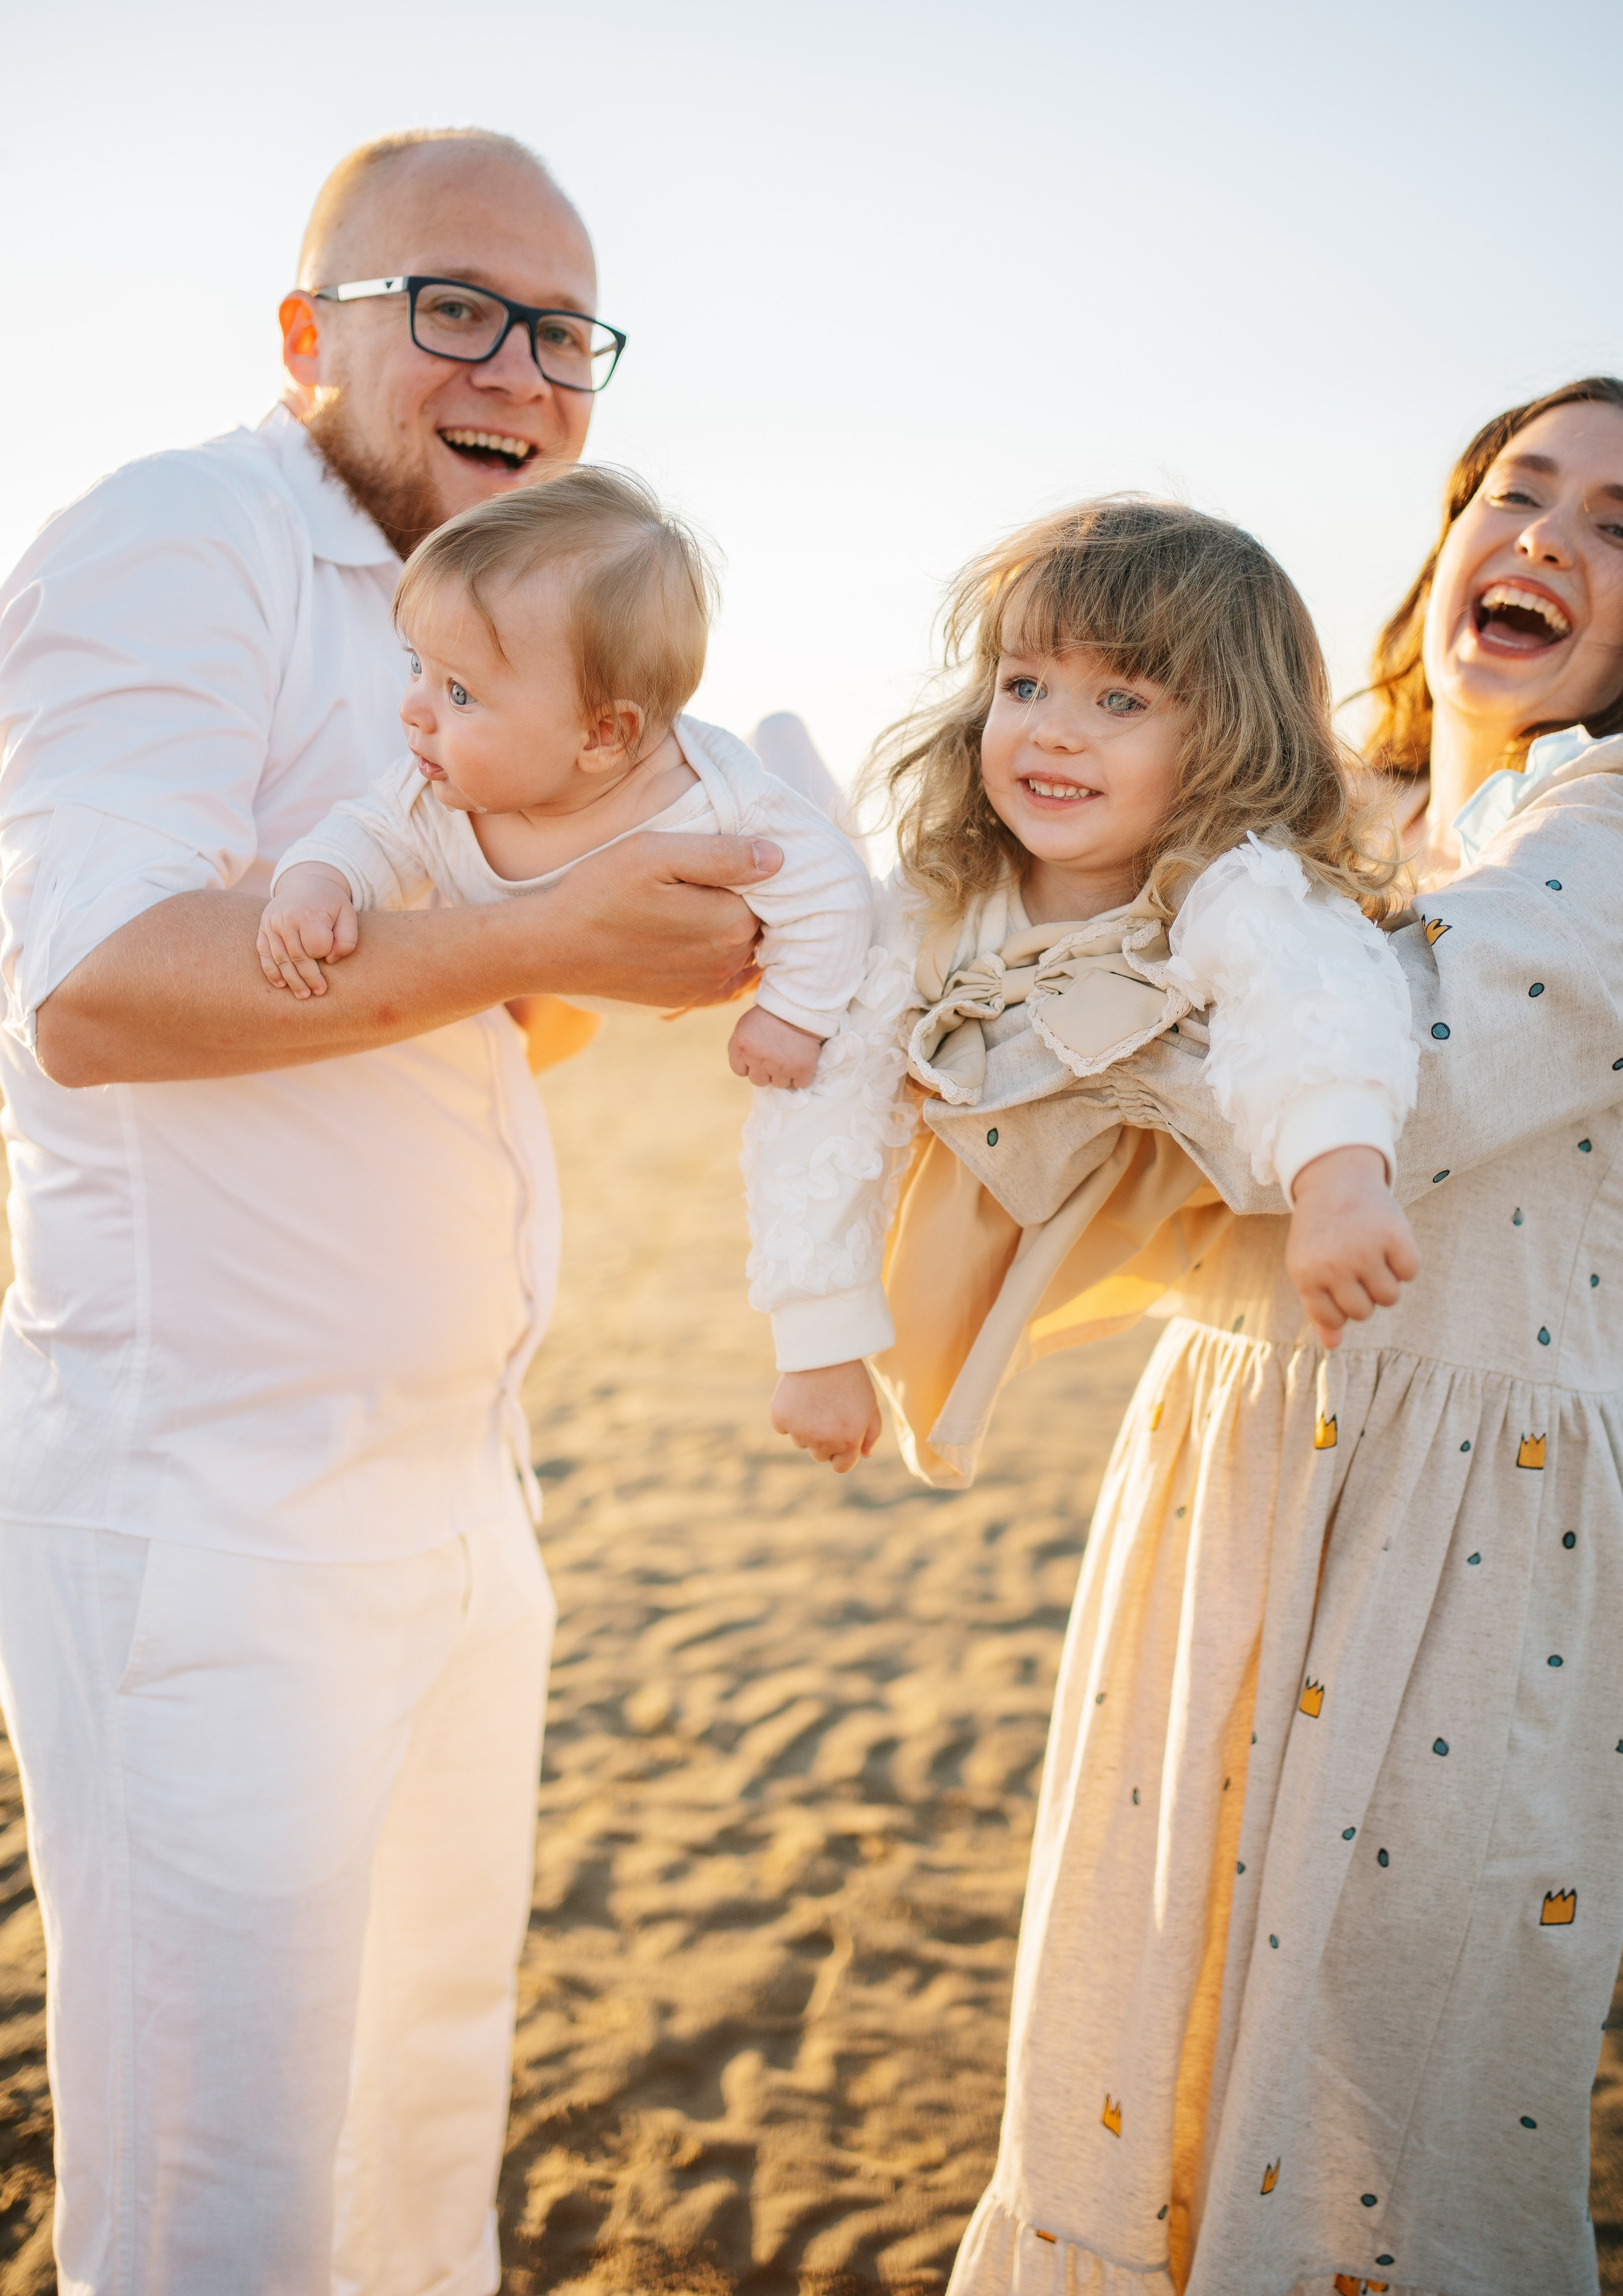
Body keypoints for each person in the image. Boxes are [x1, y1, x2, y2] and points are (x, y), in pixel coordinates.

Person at [0, 127, 770, 2296]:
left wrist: (573, 955)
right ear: (303, 334)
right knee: (216, 2206)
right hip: (213, 1514)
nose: (514, 368)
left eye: (560, 333)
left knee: (417, 2136)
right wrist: (563, 946)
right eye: (452, 306)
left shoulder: (507, 617)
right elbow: (92, 989)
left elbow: (455, 1027)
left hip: (456, 1498)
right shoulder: (178, 542)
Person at [931, 379, 1623, 2296]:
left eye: (1619, 522)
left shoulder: (1607, 828)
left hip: (1466, 1514)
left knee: (1383, 2084)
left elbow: (1393, 1064)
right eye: (1516, 489)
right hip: (1237, 1455)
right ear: (1444, 531)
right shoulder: (1335, 815)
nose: (1549, 537)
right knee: (1138, 2028)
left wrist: (1120, 968)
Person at [746, 496, 1423, 1481]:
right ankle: (804, 841)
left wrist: (1340, 1179)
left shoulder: (1229, 886)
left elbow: (1312, 997)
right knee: (841, 955)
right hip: (940, 1199)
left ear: (1232, 737)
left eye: (1121, 701)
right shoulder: (942, 901)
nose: (1053, 734)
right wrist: (818, 1343)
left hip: (1102, 1224)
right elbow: (827, 1101)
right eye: (1025, 684)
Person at [257, 470, 872, 1095]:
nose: (411, 708)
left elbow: (830, 889)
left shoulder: (717, 808)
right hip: (612, 989)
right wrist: (316, 883)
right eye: (417, 666)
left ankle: (783, 742)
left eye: (460, 692)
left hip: (804, 846)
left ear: (602, 734)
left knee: (839, 848)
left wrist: (792, 1018)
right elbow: (365, 833)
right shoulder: (436, 796)